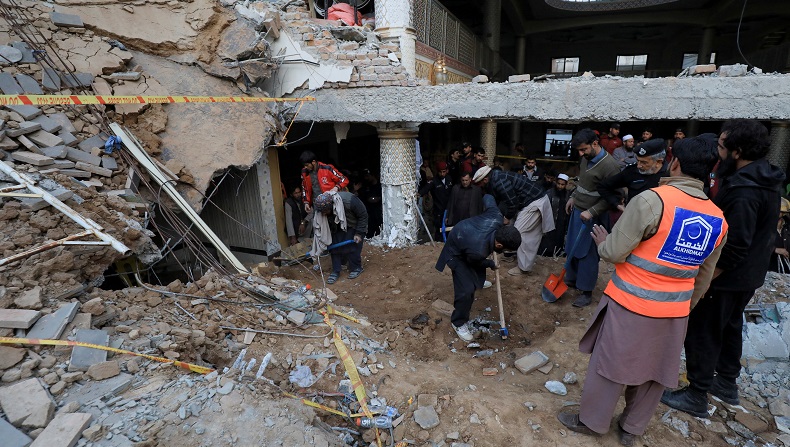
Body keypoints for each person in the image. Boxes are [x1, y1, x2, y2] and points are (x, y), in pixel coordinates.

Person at [558, 136, 728, 447]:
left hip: (630, 303)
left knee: (610, 366)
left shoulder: (652, 200)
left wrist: (602, 242)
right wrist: (683, 306)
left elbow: (614, 252)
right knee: (654, 374)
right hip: (674, 312)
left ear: (673, 163)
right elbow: (703, 277)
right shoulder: (718, 218)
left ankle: (593, 422)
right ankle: (631, 429)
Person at [661, 119, 785, 416]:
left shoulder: (745, 190)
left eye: (721, 147)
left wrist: (706, 281)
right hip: (750, 273)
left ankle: (697, 393)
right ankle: (727, 383)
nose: (717, 154)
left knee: (704, 330)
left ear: (738, 151)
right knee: (730, 325)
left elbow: (736, 244)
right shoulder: (764, 177)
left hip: (730, 275)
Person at [435, 194, 521, 341]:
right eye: (504, 250)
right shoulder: (478, 250)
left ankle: (477, 281)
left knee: (476, 270)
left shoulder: (496, 216)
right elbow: (475, 261)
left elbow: (488, 197)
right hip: (456, 251)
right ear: (499, 245)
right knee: (466, 291)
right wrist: (492, 264)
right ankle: (458, 322)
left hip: (469, 237)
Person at [563, 128, 621, 307]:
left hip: (593, 217)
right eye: (579, 151)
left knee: (588, 253)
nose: (581, 154)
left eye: (583, 150)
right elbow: (583, 182)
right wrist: (573, 197)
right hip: (578, 211)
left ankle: (586, 291)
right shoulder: (585, 158)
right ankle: (571, 279)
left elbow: (615, 197)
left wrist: (592, 211)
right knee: (572, 246)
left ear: (595, 143)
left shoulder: (610, 166)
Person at [473, 167, 553, 276]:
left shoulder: (499, 182)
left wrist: (507, 217)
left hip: (535, 202)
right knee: (519, 232)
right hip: (529, 202)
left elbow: (512, 203)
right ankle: (511, 255)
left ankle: (523, 268)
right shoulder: (495, 178)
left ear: (485, 180)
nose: (480, 187)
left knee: (518, 233)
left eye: (479, 184)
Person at [313, 191, 368, 284]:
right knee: (334, 246)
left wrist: (359, 233)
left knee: (352, 246)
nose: (324, 214)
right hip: (336, 224)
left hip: (352, 223)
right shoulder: (321, 209)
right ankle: (336, 270)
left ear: (331, 206)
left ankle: (356, 267)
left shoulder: (349, 201)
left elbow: (363, 216)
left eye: (326, 211)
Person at [599, 139, 667, 212]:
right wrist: (617, 204)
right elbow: (603, 186)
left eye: (644, 162)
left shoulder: (670, 175)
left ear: (658, 162)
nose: (639, 166)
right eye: (638, 161)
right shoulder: (631, 172)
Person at [419, 161, 453, 240]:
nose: (442, 174)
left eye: (444, 172)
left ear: (447, 171)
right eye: (440, 172)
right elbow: (425, 189)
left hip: (449, 209)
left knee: (449, 227)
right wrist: (418, 194)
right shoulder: (434, 181)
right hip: (438, 210)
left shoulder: (449, 179)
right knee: (439, 228)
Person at [539, 173, 570, 256]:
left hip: (561, 222)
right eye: (559, 184)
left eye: (562, 184)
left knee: (559, 238)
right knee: (547, 239)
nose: (560, 186)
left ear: (566, 185)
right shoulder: (549, 193)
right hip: (550, 219)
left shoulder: (568, 195)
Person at [769, 197, 790, 273]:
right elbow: (756, 244)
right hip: (768, 270)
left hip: (786, 271)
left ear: (784, 213)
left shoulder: (788, 226)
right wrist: (775, 249)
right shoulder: (763, 226)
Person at [360, 169, 382, 238]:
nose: (366, 178)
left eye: (367, 176)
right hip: (369, 211)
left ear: (372, 176)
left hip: (378, 210)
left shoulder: (380, 186)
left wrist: (376, 199)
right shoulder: (366, 186)